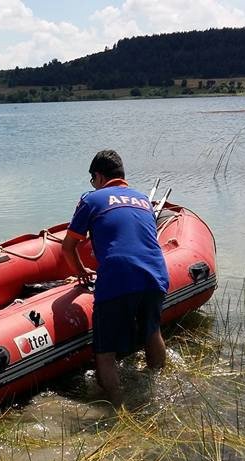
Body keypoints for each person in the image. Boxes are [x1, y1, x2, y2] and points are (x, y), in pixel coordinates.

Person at [61, 150, 169, 407]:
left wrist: (79, 272)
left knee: (105, 351)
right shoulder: (143, 199)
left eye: (92, 179)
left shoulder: (92, 200)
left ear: (98, 176)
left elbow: (67, 247)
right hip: (156, 274)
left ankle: (117, 407)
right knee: (152, 333)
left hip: (119, 277)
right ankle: (157, 388)